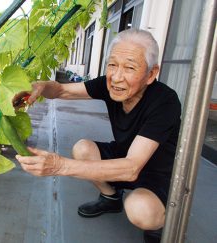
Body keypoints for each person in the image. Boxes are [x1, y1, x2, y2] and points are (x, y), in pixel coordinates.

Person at [14, 28, 181, 243]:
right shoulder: (110, 84)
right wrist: (40, 86)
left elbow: (131, 168)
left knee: (140, 209)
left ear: (151, 74)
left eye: (130, 67)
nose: (117, 77)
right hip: (124, 155)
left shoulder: (165, 101)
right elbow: (62, 91)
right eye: (112, 64)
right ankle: (110, 197)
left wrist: (59, 166)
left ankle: (159, 228)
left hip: (155, 172)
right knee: (83, 148)